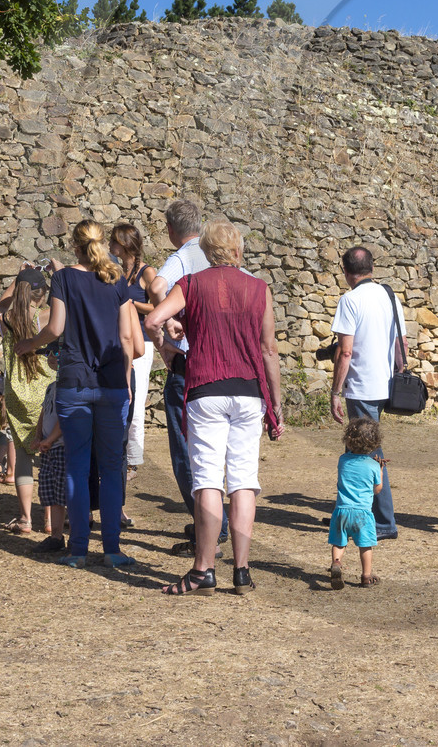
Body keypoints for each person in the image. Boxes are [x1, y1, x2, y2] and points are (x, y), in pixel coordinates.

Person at [147, 218, 284, 597]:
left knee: (207, 478)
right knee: (243, 481)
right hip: (248, 391)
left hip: (206, 388)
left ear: (206, 252)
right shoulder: (259, 289)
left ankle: (203, 570)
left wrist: (169, 346)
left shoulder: (191, 284)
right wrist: (276, 403)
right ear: (238, 251)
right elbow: (268, 349)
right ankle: (241, 571)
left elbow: (153, 319)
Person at [13, 220, 141, 569]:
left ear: (75, 245)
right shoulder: (116, 280)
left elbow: (55, 328)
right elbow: (128, 338)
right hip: (112, 383)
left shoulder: (65, 279)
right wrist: (126, 378)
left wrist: (29, 344)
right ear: (102, 243)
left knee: (76, 469)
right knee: (113, 469)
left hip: (75, 383)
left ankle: (79, 549)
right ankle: (112, 549)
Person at [141, 199, 212, 548]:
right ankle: (211, 521)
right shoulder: (214, 253)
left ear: (171, 230)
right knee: (211, 450)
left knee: (185, 448)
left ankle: (209, 526)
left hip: (187, 362)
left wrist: (168, 322)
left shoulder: (182, 258)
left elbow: (156, 288)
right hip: (216, 361)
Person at [328, 245, 406, 541]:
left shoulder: (350, 300)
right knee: (365, 453)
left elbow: (345, 352)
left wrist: (336, 391)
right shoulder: (390, 295)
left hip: (362, 387)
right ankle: (354, 511)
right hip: (386, 384)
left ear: (347, 272)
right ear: (371, 267)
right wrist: (399, 374)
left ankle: (384, 521)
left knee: (367, 455)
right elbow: (401, 344)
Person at [0, 267, 54, 535]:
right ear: (41, 296)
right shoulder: (47, 318)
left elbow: (2, 302)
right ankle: (51, 519)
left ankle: (25, 518)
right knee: (51, 457)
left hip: (17, 395)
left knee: (22, 457)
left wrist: (17, 277)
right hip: (45, 395)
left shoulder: (4, 318)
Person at [111, 223, 159, 485]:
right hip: (121, 341)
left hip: (142, 344)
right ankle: (121, 454)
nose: (110, 246)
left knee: (136, 401)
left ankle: (133, 460)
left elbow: (158, 305)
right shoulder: (118, 270)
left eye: (114, 242)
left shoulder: (147, 272)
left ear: (125, 244)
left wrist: (132, 304)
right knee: (121, 398)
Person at [328, 417, 384, 590]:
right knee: (365, 545)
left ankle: (336, 563)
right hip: (363, 513)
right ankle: (366, 577)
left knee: (339, 542)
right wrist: (380, 470)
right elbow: (378, 489)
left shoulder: (342, 460)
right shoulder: (373, 465)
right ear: (374, 441)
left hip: (342, 511)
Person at [30, 381, 68, 553]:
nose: (51, 357)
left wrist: (50, 439)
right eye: (49, 353)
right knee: (50, 493)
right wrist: (39, 436)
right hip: (48, 446)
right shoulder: (51, 386)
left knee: (63, 494)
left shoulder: (68, 385)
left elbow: (65, 415)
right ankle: (56, 536)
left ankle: (75, 537)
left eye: (55, 352)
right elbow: (44, 412)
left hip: (61, 446)